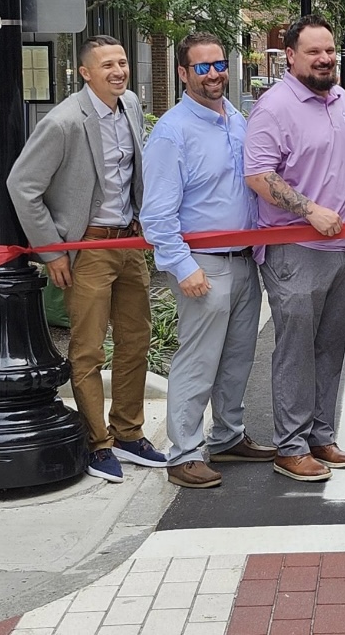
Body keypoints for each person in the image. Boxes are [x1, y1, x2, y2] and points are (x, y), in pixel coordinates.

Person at [7, 35, 166, 482]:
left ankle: (130, 434)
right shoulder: (63, 123)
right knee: (89, 349)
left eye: (121, 63)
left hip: (129, 244)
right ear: (85, 73)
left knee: (136, 342)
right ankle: (99, 444)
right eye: (107, 66)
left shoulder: (131, 104)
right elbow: (22, 185)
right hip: (89, 249)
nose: (118, 71)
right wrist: (53, 250)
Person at [140, 32, 275, 490]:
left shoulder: (238, 119)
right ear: (183, 73)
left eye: (219, 64)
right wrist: (183, 268)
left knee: (238, 358)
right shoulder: (172, 132)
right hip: (203, 267)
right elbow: (156, 215)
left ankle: (228, 436)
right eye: (202, 67)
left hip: (243, 262)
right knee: (197, 362)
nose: (214, 73)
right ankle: (184, 453)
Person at [244, 14, 345, 483]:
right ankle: (290, 446)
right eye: (314, 52)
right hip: (293, 246)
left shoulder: (341, 101)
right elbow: (258, 174)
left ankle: (320, 434)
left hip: (339, 247)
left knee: (329, 346)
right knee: (295, 349)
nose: (324, 59)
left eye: (329, 51)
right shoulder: (274, 107)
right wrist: (310, 211)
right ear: (290, 56)